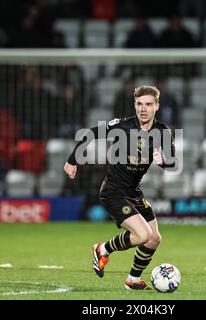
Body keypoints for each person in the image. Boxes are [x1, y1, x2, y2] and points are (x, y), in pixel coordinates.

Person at [64, 85, 176, 290]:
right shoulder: (123, 126)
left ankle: (132, 280)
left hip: (134, 192)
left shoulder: (163, 132)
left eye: (148, 104)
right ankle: (102, 249)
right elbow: (90, 133)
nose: (143, 109)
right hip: (113, 192)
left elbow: (172, 161)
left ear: (157, 106)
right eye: (139, 104)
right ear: (134, 105)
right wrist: (72, 160)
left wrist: (164, 161)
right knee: (142, 235)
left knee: (154, 239)